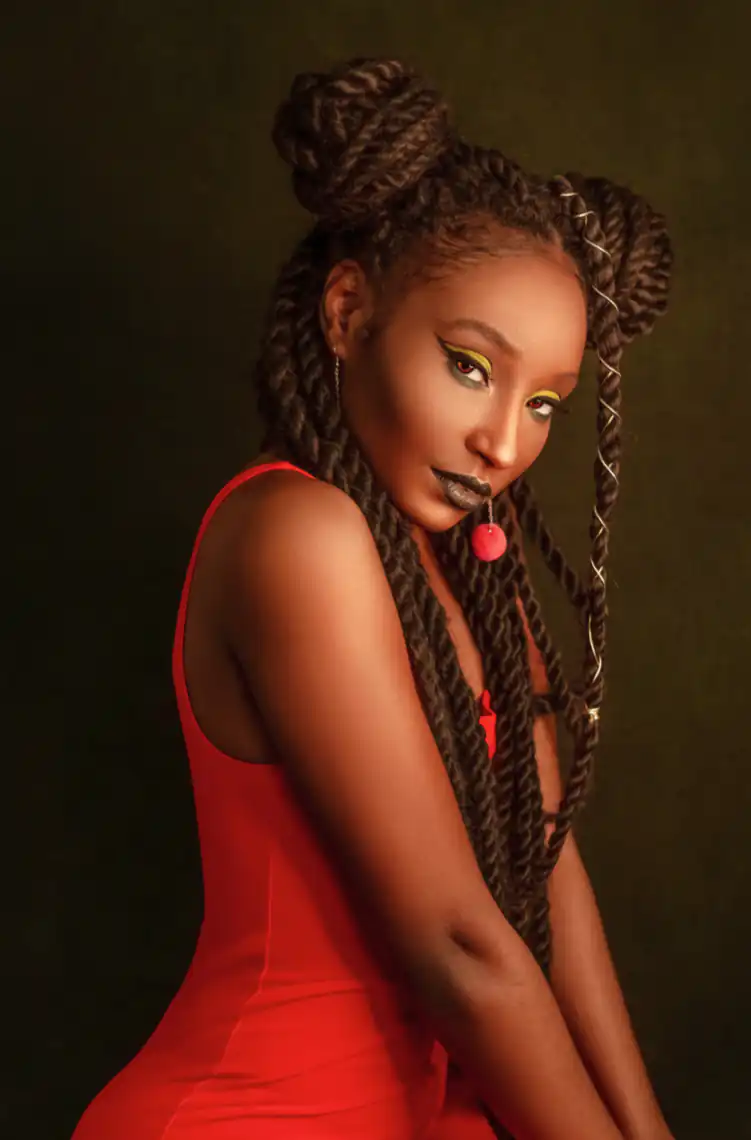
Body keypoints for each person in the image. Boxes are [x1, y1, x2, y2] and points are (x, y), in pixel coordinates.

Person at [72, 56, 673, 1140]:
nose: (504, 443)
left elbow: (547, 884)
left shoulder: (465, 575)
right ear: (350, 313)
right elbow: (456, 947)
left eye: (544, 400)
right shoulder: (295, 533)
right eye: (469, 367)